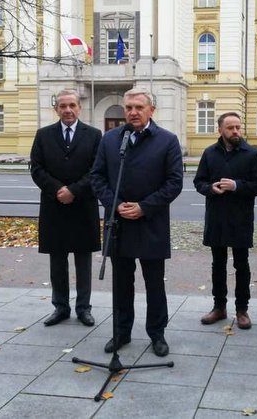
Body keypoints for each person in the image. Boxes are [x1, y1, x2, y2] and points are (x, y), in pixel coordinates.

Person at [90, 87, 183, 357]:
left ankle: (157, 334)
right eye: (128, 107)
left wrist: (144, 207)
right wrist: (115, 205)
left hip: (150, 222)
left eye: (138, 107)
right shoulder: (110, 139)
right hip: (118, 225)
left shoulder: (167, 140)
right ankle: (121, 332)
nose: (132, 112)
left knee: (155, 283)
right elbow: (97, 177)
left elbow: (174, 182)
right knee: (121, 283)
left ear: (151, 110)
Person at [30, 89, 102, 328]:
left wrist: (74, 190)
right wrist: (58, 190)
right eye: (63, 106)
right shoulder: (43, 135)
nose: (68, 110)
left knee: (83, 261)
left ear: (79, 107)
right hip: (54, 207)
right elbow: (37, 169)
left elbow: (97, 170)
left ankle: (84, 308)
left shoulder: (93, 135)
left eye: (72, 105)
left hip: (83, 207)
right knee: (57, 261)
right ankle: (60, 307)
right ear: (56, 109)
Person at [194, 112, 257, 329]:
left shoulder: (251, 154)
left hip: (241, 218)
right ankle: (219, 307)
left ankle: (242, 310)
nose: (236, 131)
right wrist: (211, 188)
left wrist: (236, 186)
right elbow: (199, 182)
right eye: (230, 128)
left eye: (238, 127)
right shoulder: (210, 153)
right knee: (218, 265)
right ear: (220, 130)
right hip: (216, 217)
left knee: (241, 264)